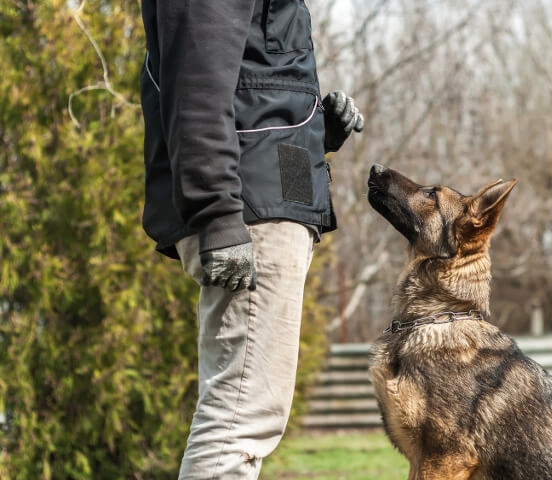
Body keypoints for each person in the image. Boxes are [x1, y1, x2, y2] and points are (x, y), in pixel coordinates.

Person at [139, 1, 363, 478]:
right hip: (245, 213)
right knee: (239, 421)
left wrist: (315, 132)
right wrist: (217, 212)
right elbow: (196, 78)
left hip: (268, 201)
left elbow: (256, 81)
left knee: (244, 416)